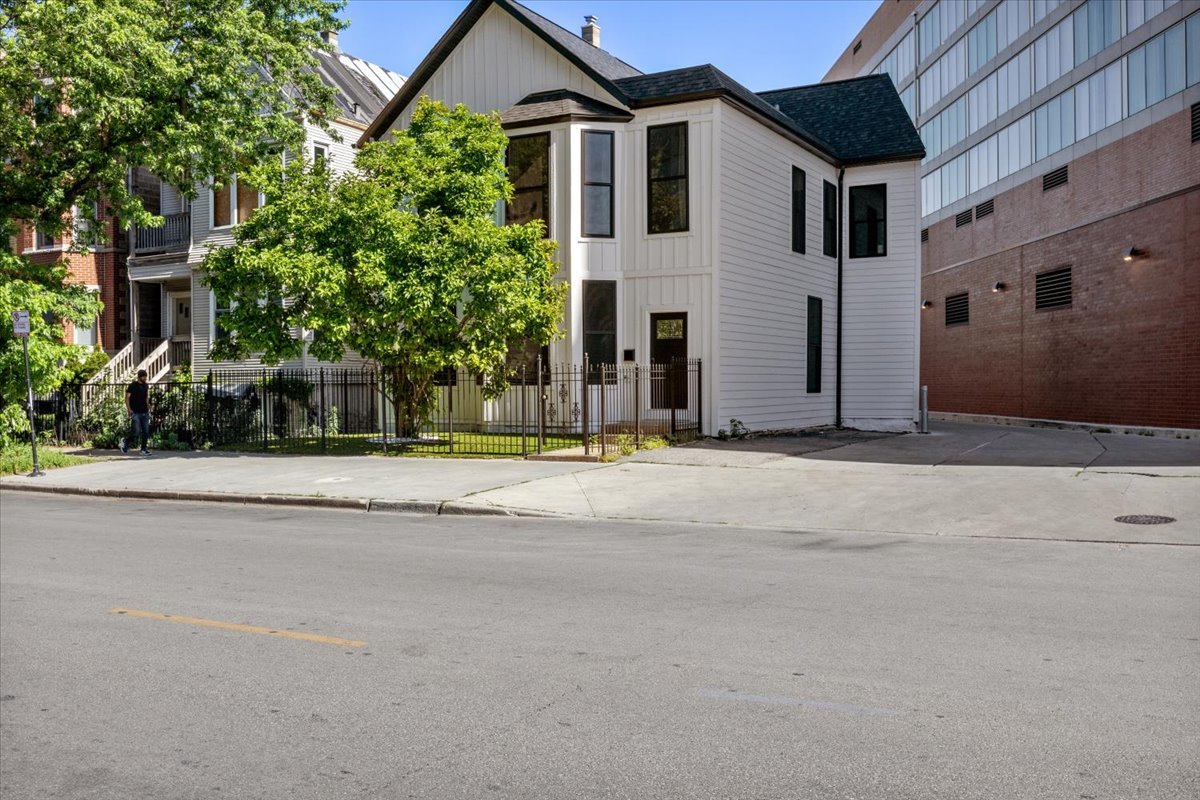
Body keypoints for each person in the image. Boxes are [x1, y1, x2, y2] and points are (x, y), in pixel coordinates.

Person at [120, 369, 152, 455]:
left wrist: (148, 405)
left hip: (145, 411)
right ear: (139, 377)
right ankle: (125, 441)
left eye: (146, 376)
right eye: (143, 376)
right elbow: (127, 398)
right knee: (136, 432)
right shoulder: (132, 386)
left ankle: (143, 449)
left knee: (146, 431)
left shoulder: (145, 386)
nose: (145, 378)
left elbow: (146, 397)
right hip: (135, 412)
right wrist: (129, 409)